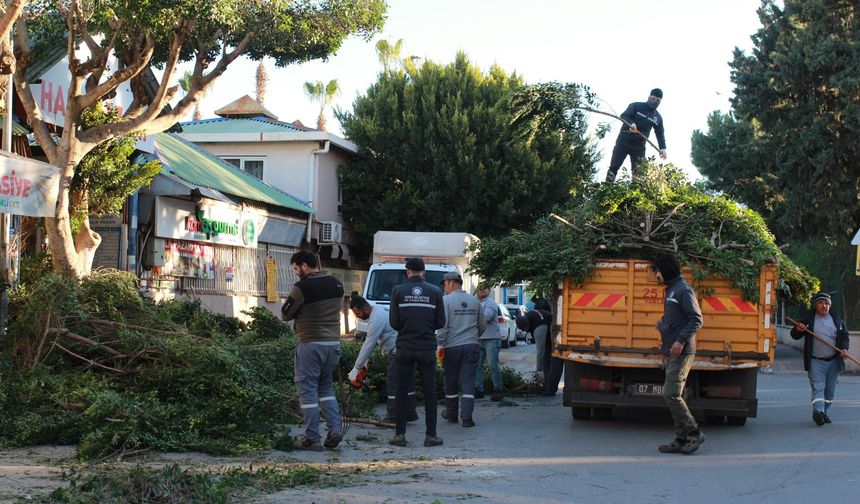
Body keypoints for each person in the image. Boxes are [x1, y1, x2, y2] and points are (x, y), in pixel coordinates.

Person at [281, 250, 345, 451]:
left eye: (296, 268)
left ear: (304, 265)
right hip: (333, 345)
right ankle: (335, 429)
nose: (296, 273)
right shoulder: (337, 284)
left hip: (310, 344)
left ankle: (312, 438)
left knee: (307, 390)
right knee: (325, 388)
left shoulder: (302, 287)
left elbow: (285, 314)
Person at [388, 257, 446, 447]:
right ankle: (431, 436)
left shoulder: (398, 291)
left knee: (402, 390)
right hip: (426, 347)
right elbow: (441, 322)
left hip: (405, 347)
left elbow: (394, 322)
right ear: (424, 272)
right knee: (430, 392)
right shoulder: (435, 291)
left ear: (408, 272)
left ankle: (399, 435)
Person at [653, 253, 704, 454]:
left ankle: (694, 432)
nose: (657, 275)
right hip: (672, 351)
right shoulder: (672, 290)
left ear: (666, 270)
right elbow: (678, 318)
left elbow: (696, 319)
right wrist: (663, 323)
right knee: (675, 394)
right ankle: (681, 438)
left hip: (681, 351)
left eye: (658, 271)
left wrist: (680, 340)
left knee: (670, 394)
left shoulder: (683, 290)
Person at [348, 295, 418, 423]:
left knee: (392, 382)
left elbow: (369, 343)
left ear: (366, 309)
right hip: (410, 349)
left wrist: (356, 368)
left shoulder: (376, 319)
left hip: (398, 352)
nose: (357, 317)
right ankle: (409, 413)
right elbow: (374, 341)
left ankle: (392, 416)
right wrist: (364, 361)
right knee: (407, 382)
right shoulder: (380, 309)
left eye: (358, 313)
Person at [790, 292, 850, 426]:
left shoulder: (837, 320)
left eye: (827, 303)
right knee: (818, 387)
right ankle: (818, 411)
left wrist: (844, 349)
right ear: (815, 305)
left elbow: (845, 337)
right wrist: (798, 329)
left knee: (829, 391)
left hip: (834, 361)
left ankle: (824, 412)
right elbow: (794, 335)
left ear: (830, 305)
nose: (824, 305)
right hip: (815, 361)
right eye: (821, 303)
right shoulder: (808, 319)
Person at [437, 272, 485, 427]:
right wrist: (474, 337)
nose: (445, 287)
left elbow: (443, 326)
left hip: (451, 347)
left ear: (452, 283)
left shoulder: (445, 301)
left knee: (450, 381)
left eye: (445, 284)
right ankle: (467, 418)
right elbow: (482, 325)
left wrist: (440, 344)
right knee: (468, 381)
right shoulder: (475, 301)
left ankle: (451, 415)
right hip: (472, 346)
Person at [605, 88, 667, 183]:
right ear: (649, 97)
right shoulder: (636, 106)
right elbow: (624, 116)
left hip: (639, 147)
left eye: (658, 100)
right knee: (614, 167)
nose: (655, 101)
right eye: (653, 98)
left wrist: (662, 148)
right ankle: (607, 186)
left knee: (639, 173)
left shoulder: (658, 118)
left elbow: (660, 133)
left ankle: (635, 191)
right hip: (623, 142)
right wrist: (631, 124)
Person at [475, 287, 504, 401]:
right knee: (477, 365)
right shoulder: (474, 302)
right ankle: (478, 390)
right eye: (480, 288)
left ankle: (498, 390)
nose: (482, 290)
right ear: (477, 290)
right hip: (478, 338)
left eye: (485, 288)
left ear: (489, 291)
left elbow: (485, 317)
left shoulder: (491, 303)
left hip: (492, 338)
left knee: (493, 365)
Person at [515, 308, 552, 382]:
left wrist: (539, 370)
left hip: (554, 338)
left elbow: (540, 351)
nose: (524, 331)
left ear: (527, 325)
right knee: (546, 363)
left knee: (547, 363)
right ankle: (547, 383)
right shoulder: (528, 316)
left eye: (524, 329)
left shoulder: (538, 329)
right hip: (549, 329)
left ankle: (548, 384)